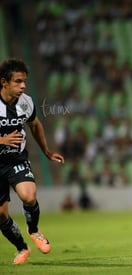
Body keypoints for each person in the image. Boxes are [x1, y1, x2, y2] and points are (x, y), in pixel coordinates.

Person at [0, 58, 65, 264]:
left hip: (16, 160)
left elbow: (35, 125)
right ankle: (21, 248)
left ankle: (34, 231)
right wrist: (2, 140)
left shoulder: (26, 102)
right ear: (4, 82)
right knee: (1, 216)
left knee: (28, 196)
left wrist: (46, 151)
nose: (23, 86)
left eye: (24, 81)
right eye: (18, 81)